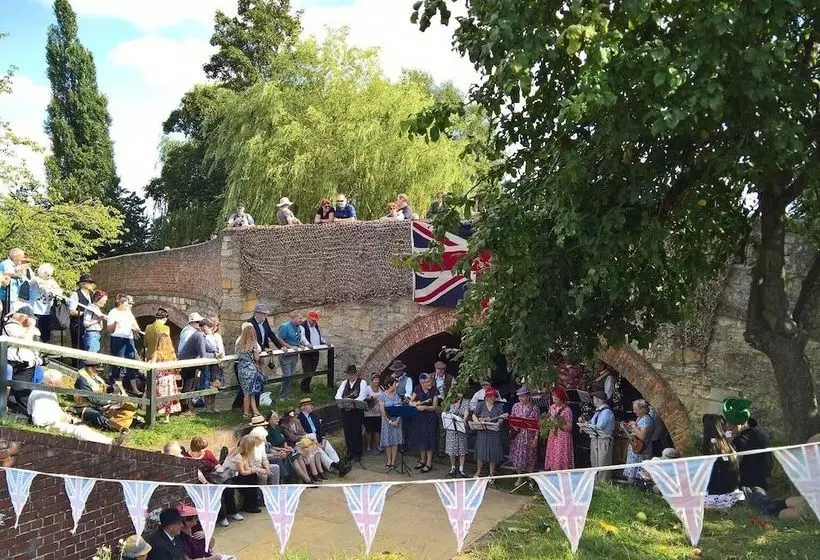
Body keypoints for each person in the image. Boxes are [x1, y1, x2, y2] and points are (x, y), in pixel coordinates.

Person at [27, 369, 126, 445]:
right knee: (79, 429)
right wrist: (59, 421)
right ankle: (110, 442)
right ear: (51, 383)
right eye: (58, 382)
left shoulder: (48, 391)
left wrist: (66, 417)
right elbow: (38, 419)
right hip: (50, 425)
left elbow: (54, 409)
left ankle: (110, 439)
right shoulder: (39, 394)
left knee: (82, 425)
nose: (61, 385)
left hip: (56, 421)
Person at [231, 304, 283, 411]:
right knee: (248, 385)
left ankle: (254, 405)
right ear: (256, 313)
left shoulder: (265, 322)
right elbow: (252, 339)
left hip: (258, 355)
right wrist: (263, 348)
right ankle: (240, 406)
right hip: (253, 358)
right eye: (263, 314)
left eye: (265, 314)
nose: (264, 316)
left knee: (256, 382)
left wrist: (281, 346)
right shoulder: (250, 324)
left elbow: (270, 335)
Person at [723, 397, 772, 490]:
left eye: (732, 424)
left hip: (748, 486)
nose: (728, 426)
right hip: (764, 482)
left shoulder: (741, 440)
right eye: (728, 423)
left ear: (741, 422)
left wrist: (727, 445)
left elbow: (732, 465)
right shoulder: (759, 431)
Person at [265, 410, 321, 484]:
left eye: (277, 416)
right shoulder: (268, 432)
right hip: (278, 451)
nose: (277, 419)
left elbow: (284, 440)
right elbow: (271, 446)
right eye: (274, 417)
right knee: (294, 460)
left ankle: (306, 478)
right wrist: (283, 449)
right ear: (269, 420)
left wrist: (286, 447)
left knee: (299, 456)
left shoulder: (278, 429)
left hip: (284, 449)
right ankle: (308, 480)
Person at [299, 397, 349, 475]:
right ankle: (338, 467)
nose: (312, 407)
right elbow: (304, 435)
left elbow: (320, 428)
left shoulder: (313, 415)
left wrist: (323, 439)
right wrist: (317, 443)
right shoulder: (300, 419)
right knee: (321, 452)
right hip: (310, 442)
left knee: (329, 448)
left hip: (319, 438)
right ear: (304, 407)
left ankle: (340, 466)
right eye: (310, 405)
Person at [177, 318, 218, 414]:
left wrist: (214, 353)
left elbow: (207, 350)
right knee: (188, 385)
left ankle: (187, 408)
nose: (210, 331)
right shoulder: (199, 335)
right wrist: (215, 355)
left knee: (190, 386)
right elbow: (203, 354)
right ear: (205, 327)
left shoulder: (200, 335)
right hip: (188, 363)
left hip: (190, 362)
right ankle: (184, 409)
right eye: (209, 328)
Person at [702, 414, 743, 509]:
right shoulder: (728, 445)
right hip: (733, 493)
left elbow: (710, 478)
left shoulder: (711, 448)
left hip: (717, 497)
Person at [106, 294, 142, 393]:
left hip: (129, 338)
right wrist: (115, 323)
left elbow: (134, 323)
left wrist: (137, 328)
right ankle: (116, 388)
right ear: (121, 303)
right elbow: (109, 329)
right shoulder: (113, 312)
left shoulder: (128, 312)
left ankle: (134, 389)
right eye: (126, 302)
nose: (128, 305)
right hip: (118, 339)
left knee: (131, 362)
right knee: (118, 364)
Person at [335, 364, 370, 462]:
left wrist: (351, 402)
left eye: (352, 374)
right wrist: (344, 401)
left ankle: (357, 453)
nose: (350, 376)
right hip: (345, 411)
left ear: (356, 374)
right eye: (349, 374)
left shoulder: (362, 382)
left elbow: (362, 396)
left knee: (356, 431)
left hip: (356, 411)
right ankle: (349, 452)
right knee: (347, 432)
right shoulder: (344, 383)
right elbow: (338, 395)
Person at [222, 435, 265, 513]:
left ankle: (251, 504)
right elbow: (243, 472)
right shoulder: (237, 456)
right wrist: (255, 470)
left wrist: (259, 470)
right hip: (229, 478)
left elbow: (247, 468)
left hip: (236, 475)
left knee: (253, 476)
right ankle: (250, 505)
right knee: (249, 479)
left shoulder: (244, 454)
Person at [472, 386, 506, 481]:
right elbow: (474, 415)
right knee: (480, 452)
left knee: (493, 453)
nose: (493, 398)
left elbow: (501, 419)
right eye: (491, 397)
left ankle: (491, 474)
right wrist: (478, 421)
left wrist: (498, 423)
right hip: (482, 431)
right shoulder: (480, 405)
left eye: (494, 397)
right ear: (486, 397)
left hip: (494, 432)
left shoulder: (498, 406)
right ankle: (479, 471)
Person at [508, 386, 540, 485]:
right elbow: (512, 420)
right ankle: (519, 477)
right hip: (518, 436)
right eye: (520, 396)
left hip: (530, 436)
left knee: (530, 455)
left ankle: (530, 477)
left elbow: (538, 425)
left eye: (523, 396)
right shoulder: (515, 406)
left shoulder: (535, 408)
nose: (521, 398)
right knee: (518, 456)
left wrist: (536, 439)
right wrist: (514, 427)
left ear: (528, 397)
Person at [408, 372, 439, 473]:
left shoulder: (434, 390)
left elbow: (434, 406)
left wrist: (425, 407)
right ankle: (422, 460)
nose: (429, 383)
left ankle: (429, 463)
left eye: (430, 380)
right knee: (422, 438)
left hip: (430, 418)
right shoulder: (417, 388)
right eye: (427, 382)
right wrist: (416, 404)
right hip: (420, 418)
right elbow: (410, 402)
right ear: (422, 382)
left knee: (429, 440)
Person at [583, 391, 616, 482]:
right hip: (595, 440)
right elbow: (592, 422)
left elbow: (599, 426)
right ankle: (596, 482)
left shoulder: (606, 412)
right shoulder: (598, 411)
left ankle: (603, 484)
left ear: (598, 400)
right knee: (595, 462)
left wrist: (589, 426)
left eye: (594, 398)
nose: (593, 401)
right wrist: (585, 424)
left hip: (603, 440)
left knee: (602, 463)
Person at [235, 323, 265, 418]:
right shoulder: (253, 344)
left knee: (247, 392)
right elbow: (256, 358)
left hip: (241, 369)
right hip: (251, 370)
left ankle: (254, 411)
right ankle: (246, 413)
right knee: (249, 393)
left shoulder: (240, 344)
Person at [28, 263, 62, 344]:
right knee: (34, 333)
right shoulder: (34, 280)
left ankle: (44, 352)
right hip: (35, 311)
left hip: (47, 312)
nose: (49, 277)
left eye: (50, 275)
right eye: (47, 275)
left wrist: (56, 292)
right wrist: (50, 287)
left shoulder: (52, 282)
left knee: (46, 335)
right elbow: (40, 284)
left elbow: (59, 291)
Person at [152, 334, 182, 422]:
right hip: (169, 378)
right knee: (168, 396)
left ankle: (152, 415)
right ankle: (166, 417)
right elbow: (175, 366)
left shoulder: (157, 353)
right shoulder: (172, 354)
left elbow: (153, 365)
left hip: (159, 378)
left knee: (156, 395)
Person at [623, 399, 654, 481]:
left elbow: (642, 436)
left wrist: (634, 426)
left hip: (641, 450)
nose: (634, 411)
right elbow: (634, 435)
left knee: (638, 475)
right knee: (631, 472)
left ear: (642, 409)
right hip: (635, 450)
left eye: (636, 409)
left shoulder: (646, 419)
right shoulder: (640, 418)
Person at [544, 387, 574, 471]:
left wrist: (556, 422)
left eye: (556, 398)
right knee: (553, 456)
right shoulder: (552, 407)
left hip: (562, 437)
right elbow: (547, 419)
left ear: (561, 398)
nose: (554, 400)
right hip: (553, 435)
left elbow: (569, 428)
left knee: (560, 457)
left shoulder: (567, 411)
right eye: (553, 397)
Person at [68, 273, 94, 365]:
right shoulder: (76, 294)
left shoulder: (91, 296)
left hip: (87, 324)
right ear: (83, 284)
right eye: (89, 282)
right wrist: (85, 314)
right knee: (77, 345)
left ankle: (85, 365)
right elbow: (71, 311)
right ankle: (76, 366)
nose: (91, 285)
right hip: (77, 323)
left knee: (86, 345)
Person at [277, 311, 305, 398]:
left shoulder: (298, 327)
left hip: (294, 355)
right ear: (294, 318)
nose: (301, 320)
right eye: (300, 318)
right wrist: (290, 347)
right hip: (286, 356)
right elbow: (280, 340)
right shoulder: (285, 327)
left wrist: (300, 345)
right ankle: (283, 396)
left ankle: (287, 393)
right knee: (287, 375)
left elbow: (297, 339)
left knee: (291, 375)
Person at [379, 374, 403, 472]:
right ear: (389, 385)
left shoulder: (397, 397)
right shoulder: (382, 396)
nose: (395, 385)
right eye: (394, 384)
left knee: (395, 441)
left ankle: (393, 460)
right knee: (388, 442)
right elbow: (382, 411)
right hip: (386, 422)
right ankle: (388, 459)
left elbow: (400, 410)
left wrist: (397, 420)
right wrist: (389, 421)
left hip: (396, 422)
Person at [201, 316, 226, 412]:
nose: (217, 326)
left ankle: (213, 406)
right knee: (207, 384)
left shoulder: (217, 336)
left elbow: (221, 349)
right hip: (208, 364)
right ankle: (207, 406)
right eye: (215, 324)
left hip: (217, 364)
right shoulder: (206, 336)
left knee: (215, 384)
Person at [299, 310, 326, 394]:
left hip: (315, 350)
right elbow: (302, 337)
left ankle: (307, 388)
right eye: (312, 320)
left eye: (315, 320)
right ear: (308, 318)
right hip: (307, 352)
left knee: (313, 370)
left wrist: (324, 342)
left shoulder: (315, 325)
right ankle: (304, 389)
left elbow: (318, 336)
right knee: (307, 370)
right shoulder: (302, 325)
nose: (314, 322)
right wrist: (308, 344)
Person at [444, 390, 470, 478]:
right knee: (451, 449)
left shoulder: (466, 401)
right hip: (451, 428)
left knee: (462, 449)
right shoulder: (450, 400)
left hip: (460, 427)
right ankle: (453, 467)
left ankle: (461, 469)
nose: (460, 394)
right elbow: (445, 411)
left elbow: (466, 412)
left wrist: (464, 419)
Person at [82, 291, 108, 355]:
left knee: (94, 356)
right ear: (98, 299)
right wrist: (99, 319)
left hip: (96, 334)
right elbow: (85, 323)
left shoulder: (97, 309)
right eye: (104, 300)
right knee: (91, 357)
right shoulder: (90, 308)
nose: (105, 302)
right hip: (91, 334)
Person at [364, 375, 383, 453]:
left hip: (378, 413)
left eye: (378, 379)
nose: (376, 381)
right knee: (368, 430)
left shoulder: (381, 388)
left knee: (377, 430)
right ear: (371, 381)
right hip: (369, 412)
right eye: (375, 380)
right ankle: (368, 445)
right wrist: (372, 399)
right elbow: (364, 398)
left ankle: (377, 445)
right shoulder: (367, 389)